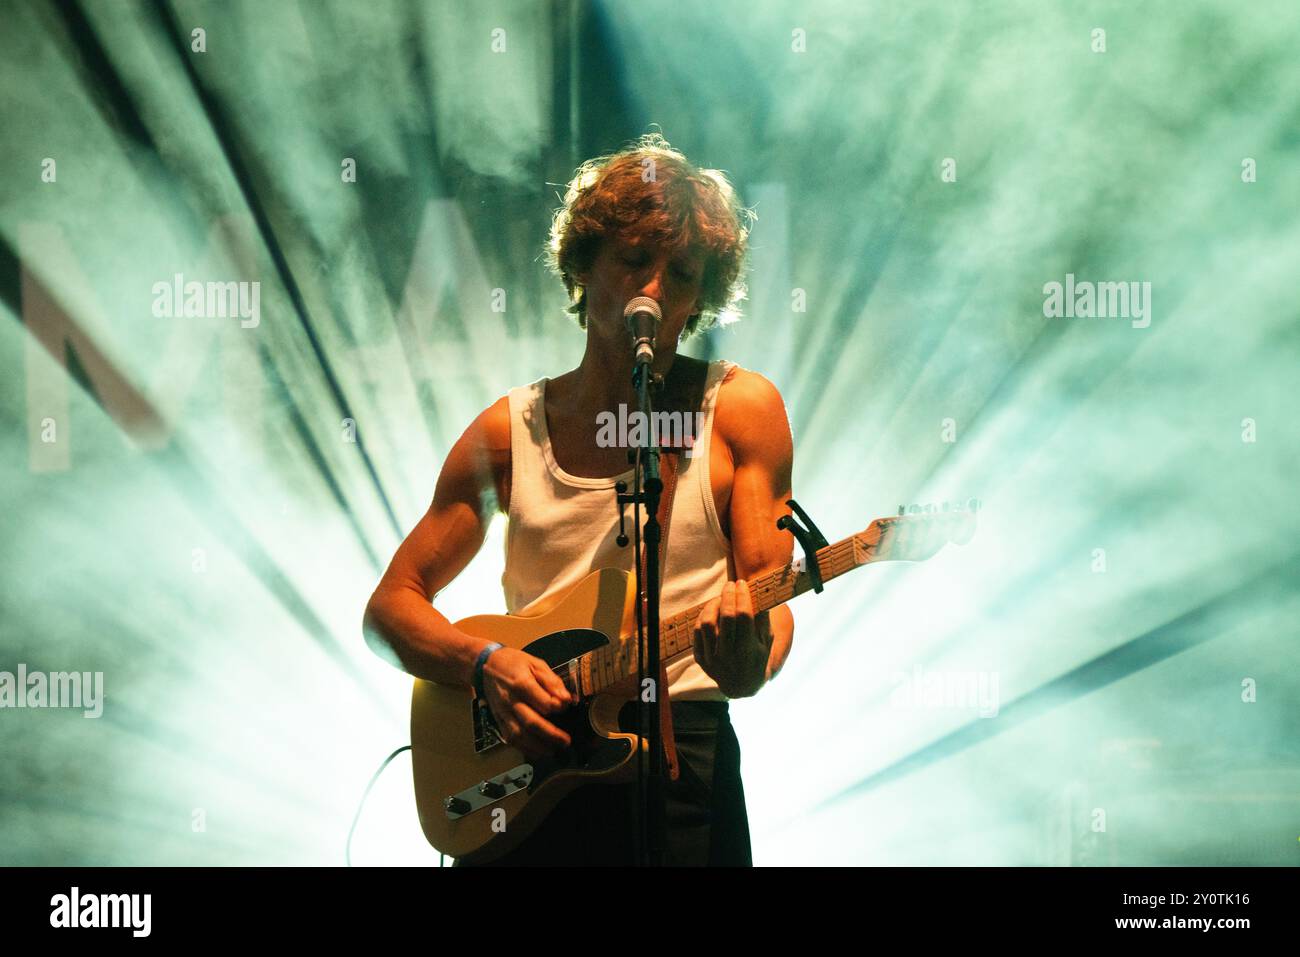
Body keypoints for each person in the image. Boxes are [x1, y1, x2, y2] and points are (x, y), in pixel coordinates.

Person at [363, 132, 795, 865]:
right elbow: (390, 608)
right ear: (584, 263)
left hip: (684, 758)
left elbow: (769, 598)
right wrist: (485, 664)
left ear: (701, 297)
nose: (655, 289)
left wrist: (751, 660)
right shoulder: (510, 431)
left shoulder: (741, 409)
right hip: (525, 765)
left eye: (683, 273)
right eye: (633, 260)